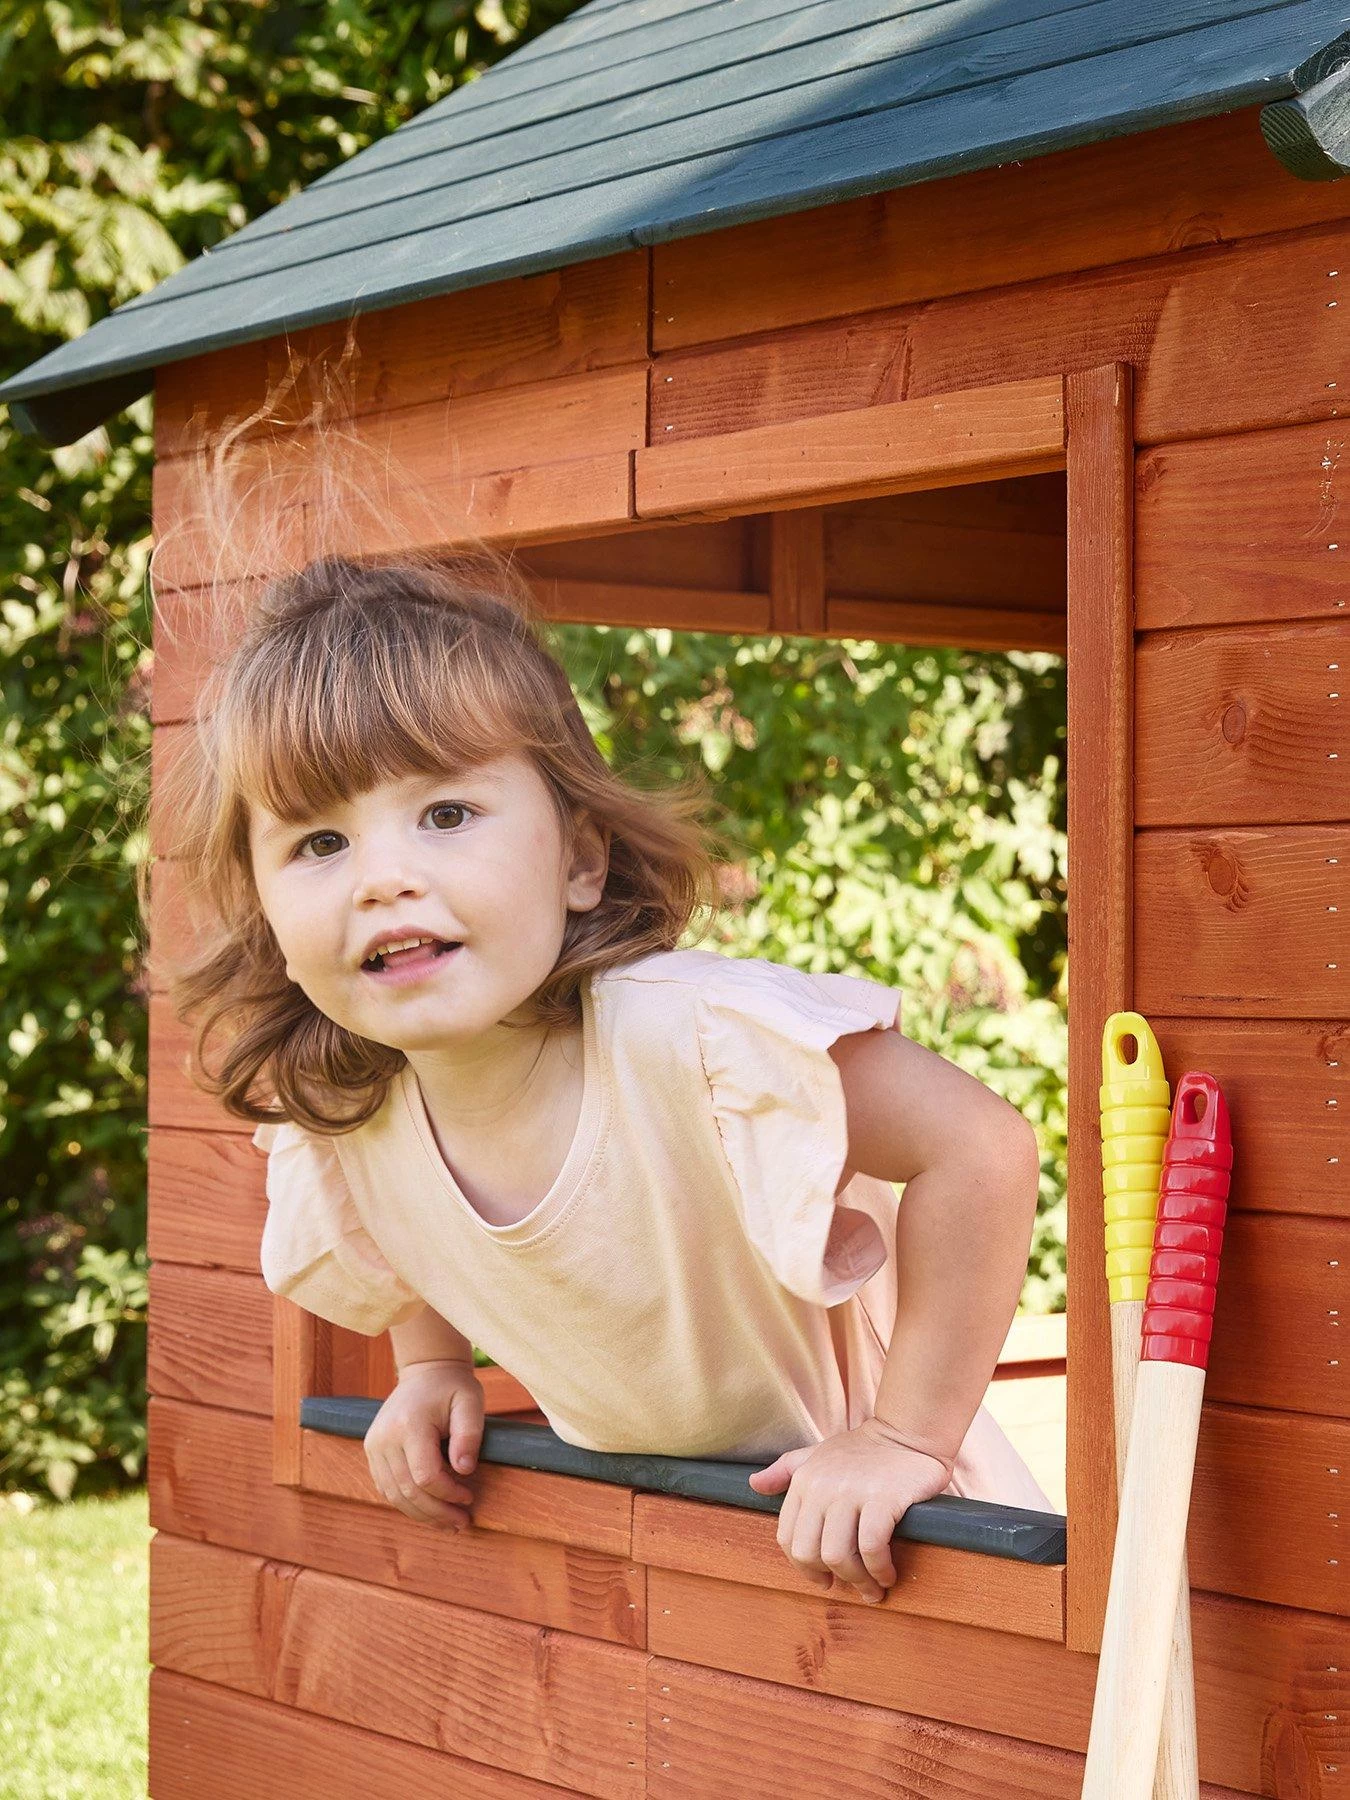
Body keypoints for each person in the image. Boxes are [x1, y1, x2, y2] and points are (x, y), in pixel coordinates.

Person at [151, 548, 1053, 1609]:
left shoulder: (692, 1042)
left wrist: (905, 1438)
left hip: (901, 1525)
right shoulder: (350, 1113)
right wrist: (432, 1369)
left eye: (445, 816)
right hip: (702, 1565)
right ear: (262, 910)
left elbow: (981, 1147)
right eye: (320, 841)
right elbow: (413, 1230)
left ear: (579, 859)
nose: (383, 878)